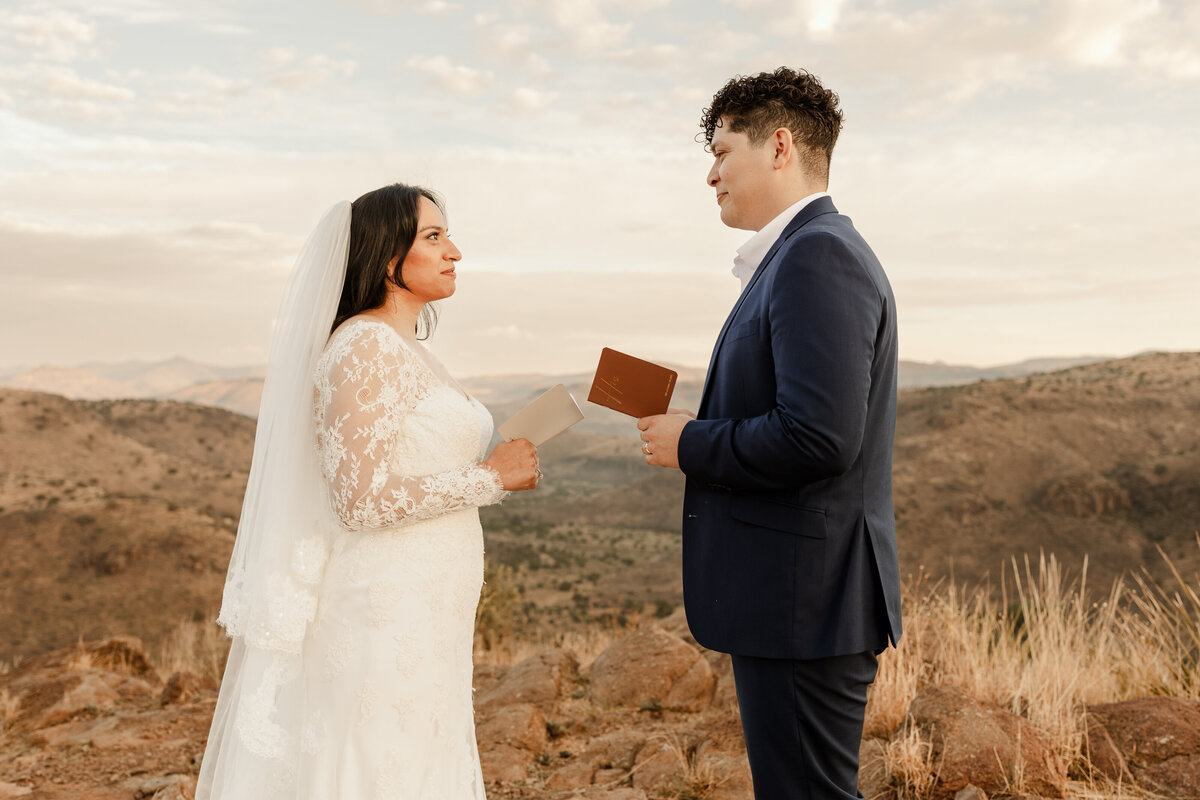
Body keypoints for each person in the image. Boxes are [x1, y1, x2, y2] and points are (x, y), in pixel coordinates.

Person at [197, 183, 540, 799]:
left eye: (447, 235)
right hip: (383, 608)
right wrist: (493, 478)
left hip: (428, 607)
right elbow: (358, 499)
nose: (454, 251)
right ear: (387, 258)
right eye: (433, 238)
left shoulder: (406, 349)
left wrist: (495, 468)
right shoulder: (363, 347)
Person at [637, 68, 902, 799]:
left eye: (722, 153)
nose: (711, 175)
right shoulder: (800, 256)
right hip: (801, 603)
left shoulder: (817, 256)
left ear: (780, 146)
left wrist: (691, 442)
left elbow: (819, 437)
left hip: (804, 604)